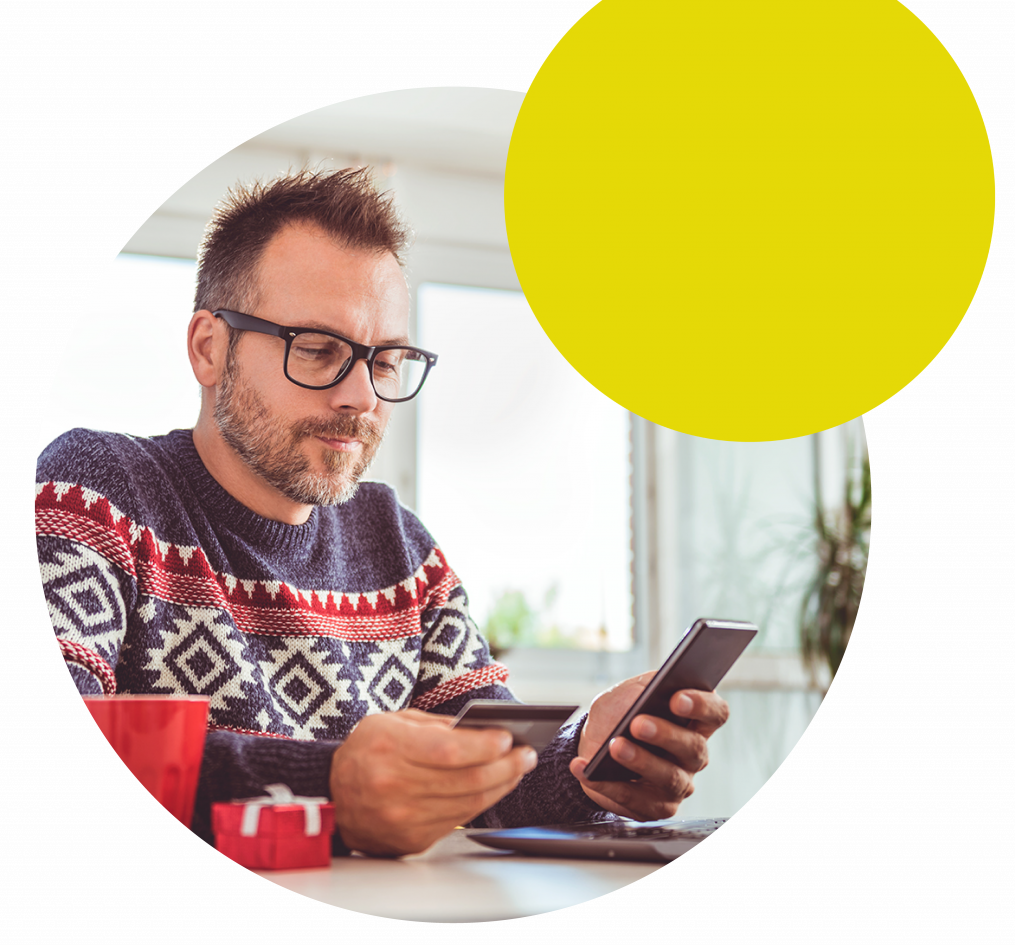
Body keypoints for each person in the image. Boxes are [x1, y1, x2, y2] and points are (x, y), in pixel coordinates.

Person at [36, 167, 730, 858]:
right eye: (318, 350)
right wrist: (328, 789)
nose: (362, 397)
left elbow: (488, 773)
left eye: (386, 360)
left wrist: (587, 759)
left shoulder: (398, 545)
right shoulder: (94, 494)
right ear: (209, 348)